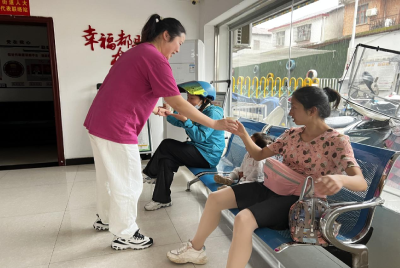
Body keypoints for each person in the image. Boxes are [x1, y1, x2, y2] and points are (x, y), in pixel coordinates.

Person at [166, 86, 367, 267]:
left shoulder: (337, 141)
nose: (289, 112)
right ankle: (196, 250)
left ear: (312, 111)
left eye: (294, 107)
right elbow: (259, 154)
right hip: (273, 187)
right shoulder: (292, 134)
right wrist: (244, 135)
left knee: (244, 220)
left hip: (299, 202)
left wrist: (341, 179)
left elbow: (360, 182)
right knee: (216, 198)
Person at [84, 14, 237, 251]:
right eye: (178, 43)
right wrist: (215, 124)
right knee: (128, 181)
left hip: (99, 122)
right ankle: (125, 233)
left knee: (108, 176)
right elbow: (178, 101)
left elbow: (129, 90)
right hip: (117, 127)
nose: (177, 50)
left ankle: (106, 218)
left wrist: (153, 108)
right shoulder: (155, 58)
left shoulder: (137, 51)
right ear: (166, 35)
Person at [142, 81, 226, 210]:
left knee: (167, 144)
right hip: (197, 150)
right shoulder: (197, 110)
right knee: (166, 160)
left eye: (192, 98)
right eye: (188, 97)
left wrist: (186, 121)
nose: (188, 100)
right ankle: (161, 199)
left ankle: (152, 174)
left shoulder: (213, 112)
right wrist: (169, 113)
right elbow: (178, 122)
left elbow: (200, 137)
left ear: (204, 99)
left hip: (207, 156)